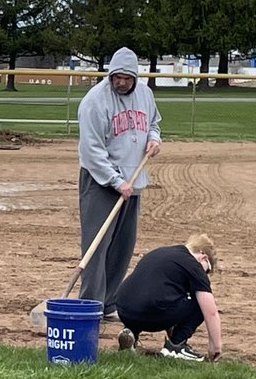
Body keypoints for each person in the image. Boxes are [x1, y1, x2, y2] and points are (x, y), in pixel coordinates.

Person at [77, 46, 162, 320]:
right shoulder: (94, 102)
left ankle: (109, 303)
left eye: (127, 77)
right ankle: (90, 305)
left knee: (123, 246)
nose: (122, 82)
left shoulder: (145, 95)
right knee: (97, 247)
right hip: (101, 181)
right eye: (117, 77)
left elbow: (154, 123)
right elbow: (91, 150)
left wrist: (154, 139)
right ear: (110, 75)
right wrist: (115, 181)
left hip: (133, 179)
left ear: (135, 77)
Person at [116, 234, 223, 362]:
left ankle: (131, 332)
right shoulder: (194, 266)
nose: (205, 275)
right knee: (199, 302)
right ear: (203, 258)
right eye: (207, 271)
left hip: (124, 309)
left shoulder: (161, 253)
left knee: (147, 299)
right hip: (152, 311)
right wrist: (215, 346)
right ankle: (176, 346)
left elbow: (161, 291)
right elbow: (210, 313)